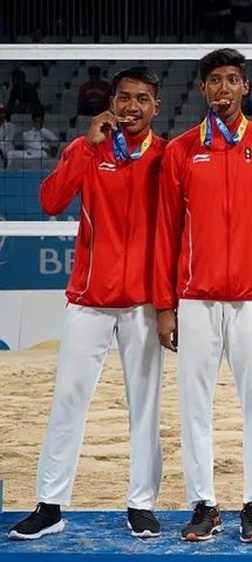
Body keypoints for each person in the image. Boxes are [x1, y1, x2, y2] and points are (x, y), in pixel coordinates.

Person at [7, 66, 167, 541]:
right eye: (124, 98)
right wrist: (85, 147)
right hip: (89, 300)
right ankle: (50, 504)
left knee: (146, 408)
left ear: (156, 107)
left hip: (143, 303)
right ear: (111, 102)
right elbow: (51, 201)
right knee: (67, 403)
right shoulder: (87, 148)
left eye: (141, 99)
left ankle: (141, 504)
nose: (131, 106)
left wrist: (168, 302)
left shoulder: (168, 156)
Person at [154, 47, 252, 544]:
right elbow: (165, 233)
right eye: (214, 80)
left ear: (245, 87)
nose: (223, 89)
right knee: (195, 406)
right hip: (194, 300)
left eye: (232, 79)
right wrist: (164, 304)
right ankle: (203, 504)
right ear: (202, 89)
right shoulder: (179, 151)